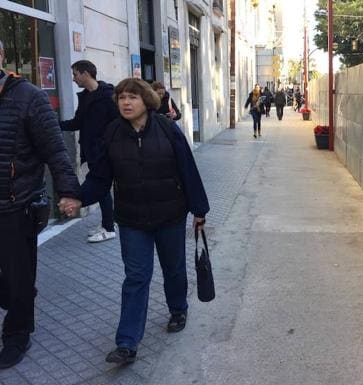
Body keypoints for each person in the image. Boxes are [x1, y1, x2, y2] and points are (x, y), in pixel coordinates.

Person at [60, 78, 209, 365]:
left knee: (174, 269)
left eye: (132, 97)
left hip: (170, 216)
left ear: (146, 101)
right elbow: (100, 176)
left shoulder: (167, 129)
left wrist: (199, 210)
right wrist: (80, 198)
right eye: (121, 98)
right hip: (131, 220)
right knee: (136, 277)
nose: (126, 102)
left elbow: (187, 170)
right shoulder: (112, 133)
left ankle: (178, 308)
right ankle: (127, 342)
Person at [0, 39, 81, 369]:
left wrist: (69, 192)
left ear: (2, 55)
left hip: (16, 205)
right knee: (14, 285)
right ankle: (19, 300)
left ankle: (18, 332)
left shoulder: (28, 96)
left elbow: (55, 150)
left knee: (19, 275)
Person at [60, 60, 118, 243]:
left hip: (105, 153)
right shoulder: (84, 97)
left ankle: (109, 227)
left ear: (86, 74)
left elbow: (118, 124)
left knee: (99, 187)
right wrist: (54, 124)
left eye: (75, 74)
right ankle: (109, 223)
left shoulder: (109, 95)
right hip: (90, 151)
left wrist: (106, 146)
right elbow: (77, 122)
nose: (73, 78)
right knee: (103, 190)